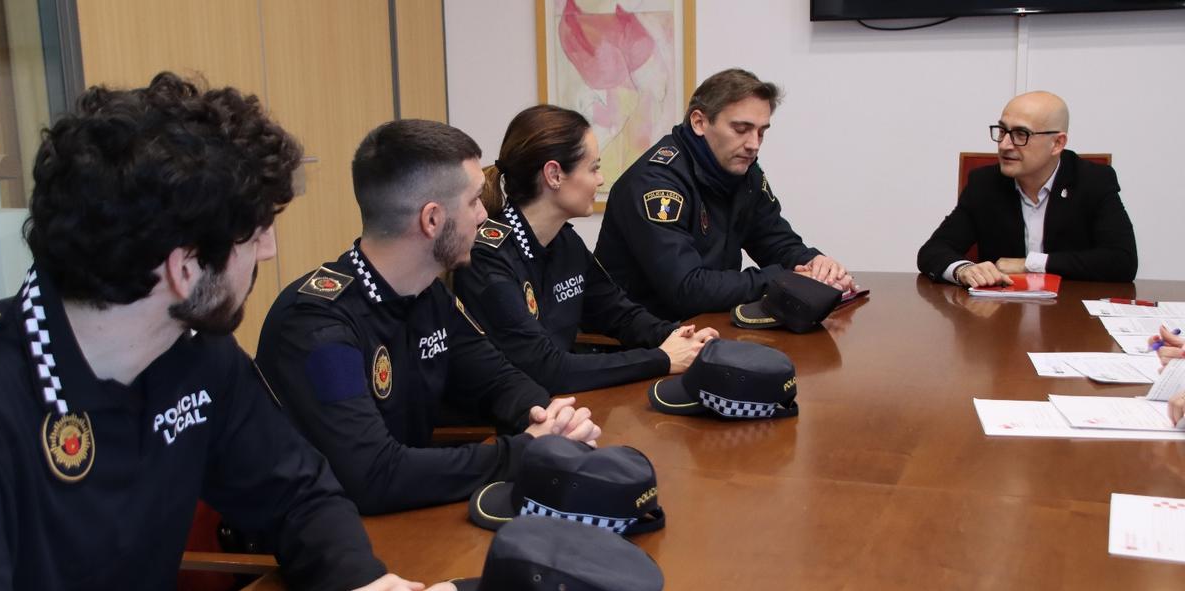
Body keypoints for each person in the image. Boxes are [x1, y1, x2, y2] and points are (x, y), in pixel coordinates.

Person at [0, 74, 484, 591]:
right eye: (256, 231)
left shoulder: (195, 353)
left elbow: (299, 496)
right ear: (185, 268)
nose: (270, 250)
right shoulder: (0, 407)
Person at [256, 119, 602, 516]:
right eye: (473, 202)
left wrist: (550, 418)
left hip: (407, 516)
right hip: (332, 544)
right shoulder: (317, 324)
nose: (483, 217)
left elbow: (496, 379)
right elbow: (375, 474)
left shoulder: (426, 292)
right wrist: (524, 451)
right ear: (432, 219)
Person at [452, 105, 718, 394]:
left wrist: (678, 336)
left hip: (563, 405)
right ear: (554, 175)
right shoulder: (488, 258)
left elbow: (619, 314)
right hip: (512, 425)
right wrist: (663, 359)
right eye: (593, 168)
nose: (600, 179)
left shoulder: (565, 241)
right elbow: (548, 369)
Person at [593, 68, 853, 321]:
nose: (753, 144)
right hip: (640, 340)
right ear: (699, 122)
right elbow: (687, 288)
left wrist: (815, 265)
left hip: (706, 325)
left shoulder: (742, 171)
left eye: (761, 132)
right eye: (741, 129)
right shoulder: (656, 184)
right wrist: (784, 279)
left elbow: (774, 240)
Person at [917, 91, 1138, 288]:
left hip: (1071, 316)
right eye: (1002, 131)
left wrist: (1030, 264)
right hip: (1000, 320)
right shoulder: (985, 184)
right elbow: (933, 251)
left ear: (1057, 143)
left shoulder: (1093, 181)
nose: (1004, 144)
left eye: (1021, 134)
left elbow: (1122, 261)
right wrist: (963, 270)